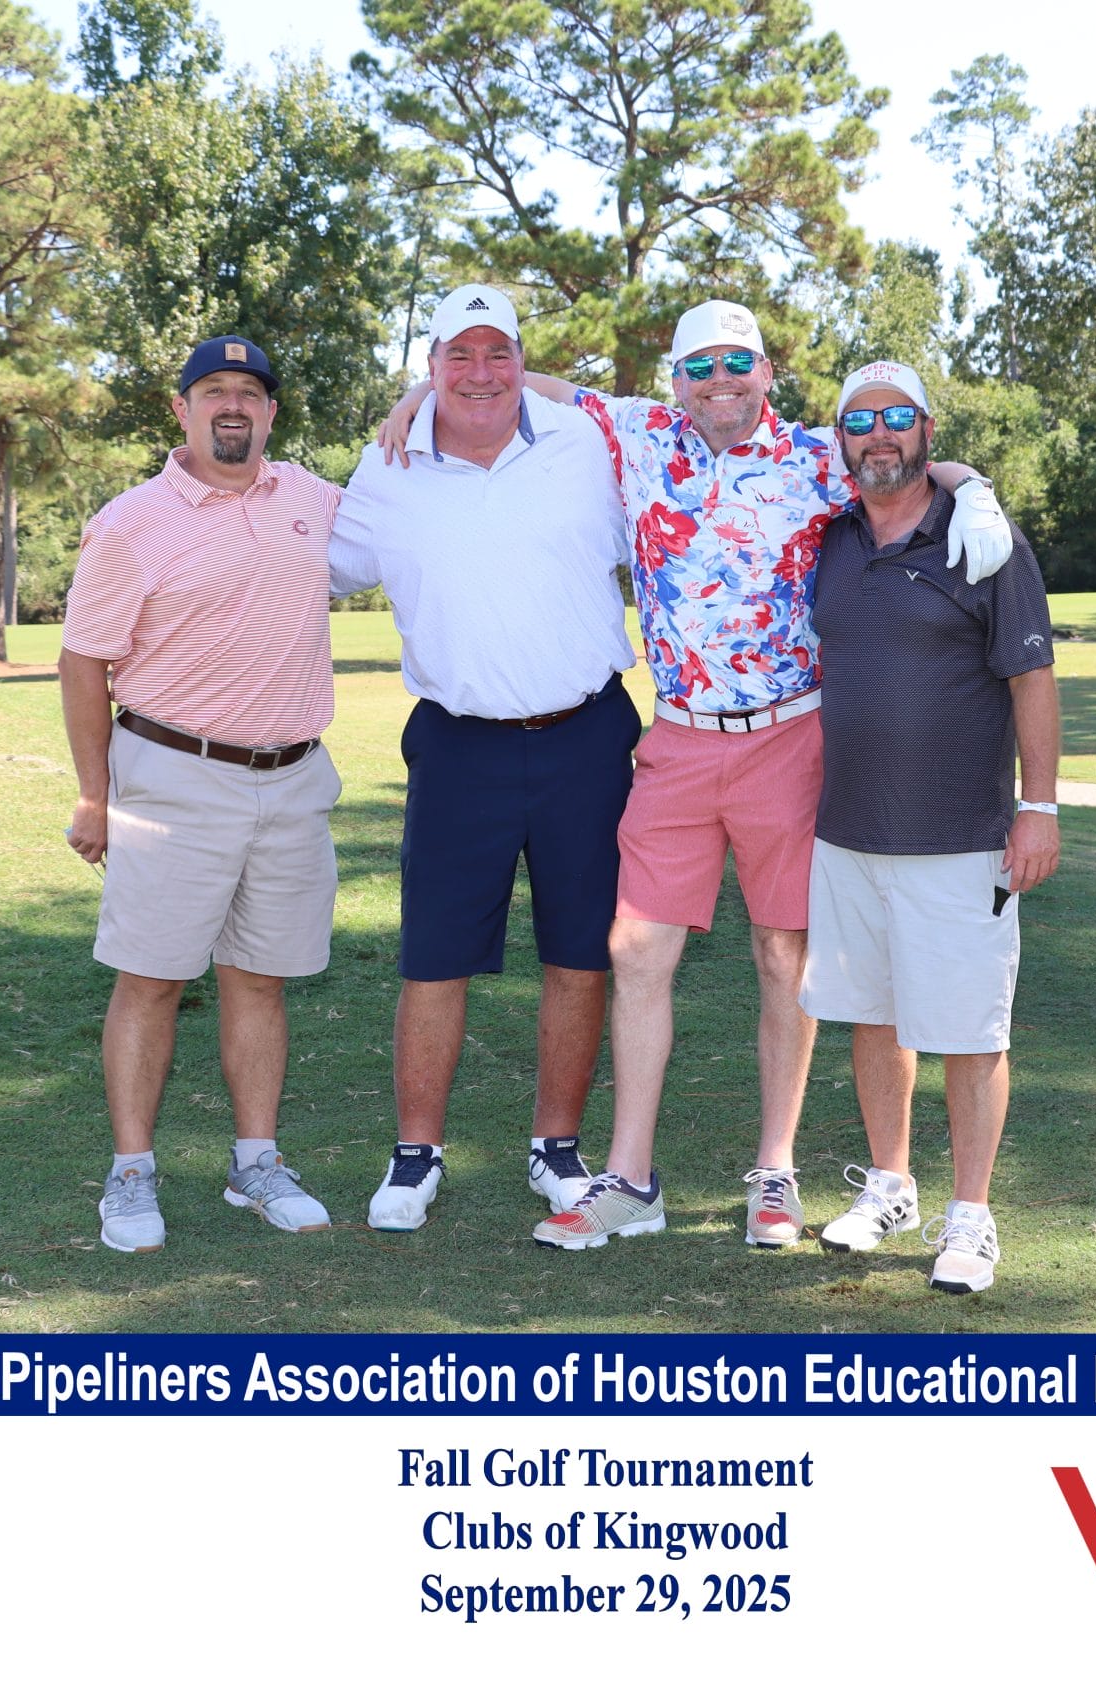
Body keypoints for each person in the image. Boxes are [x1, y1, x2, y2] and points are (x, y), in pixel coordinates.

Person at [377, 299, 1013, 1252]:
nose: (720, 381)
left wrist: (976, 488)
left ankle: (775, 1172)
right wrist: (421, 393)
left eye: (737, 363)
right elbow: (525, 383)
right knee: (635, 951)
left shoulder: (816, 456)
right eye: (700, 366)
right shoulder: (636, 434)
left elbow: (915, 467)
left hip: (788, 737)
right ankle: (632, 1180)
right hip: (674, 739)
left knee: (783, 955)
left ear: (767, 373)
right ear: (675, 380)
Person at [328, 285, 640, 1231]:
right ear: (429, 367)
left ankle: (557, 1148)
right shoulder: (387, 466)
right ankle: (415, 1156)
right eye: (456, 355)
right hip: (458, 745)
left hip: (588, 734)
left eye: (496, 352)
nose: (479, 372)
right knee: (435, 957)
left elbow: (674, 438)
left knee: (580, 953)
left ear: (521, 361)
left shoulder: (589, 443)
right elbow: (314, 563)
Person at [58, 334, 343, 1252]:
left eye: (250, 392)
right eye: (213, 390)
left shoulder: (311, 499)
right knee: (150, 979)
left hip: (293, 779)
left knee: (259, 978)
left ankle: (255, 1161)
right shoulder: (131, 522)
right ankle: (131, 1174)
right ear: (181, 410)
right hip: (173, 778)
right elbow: (82, 662)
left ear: (271, 412)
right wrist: (94, 795)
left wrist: (418, 401)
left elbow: (413, 493)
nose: (232, 405)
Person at [800, 359, 1061, 1294]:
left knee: (969, 1030)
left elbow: (1032, 678)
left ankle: (972, 1215)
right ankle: (891, 1186)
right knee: (874, 1016)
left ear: (927, 430)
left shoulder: (984, 541)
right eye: (860, 420)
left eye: (898, 417)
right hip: (848, 833)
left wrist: (1039, 808)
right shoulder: (828, 536)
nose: (880, 435)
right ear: (840, 438)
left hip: (961, 838)